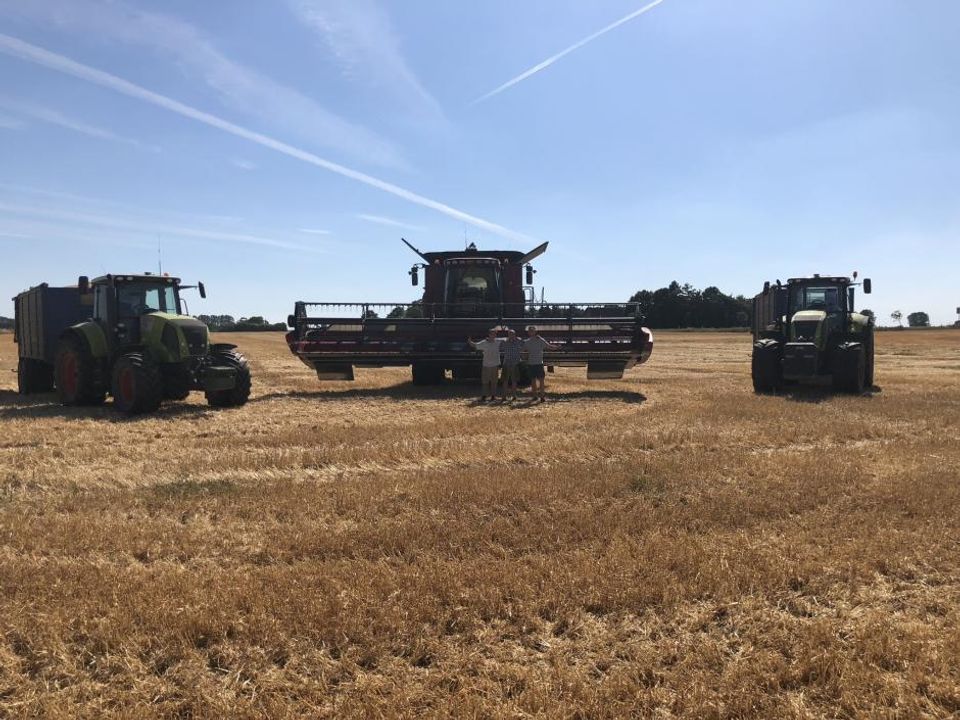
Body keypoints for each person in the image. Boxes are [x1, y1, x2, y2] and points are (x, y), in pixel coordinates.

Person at [524, 325, 562, 402]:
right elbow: (523, 351)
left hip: (539, 363)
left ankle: (542, 396)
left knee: (541, 380)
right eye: (530, 330)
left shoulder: (540, 340)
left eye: (533, 330)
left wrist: (557, 347)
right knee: (533, 381)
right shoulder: (526, 342)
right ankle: (535, 396)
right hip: (531, 363)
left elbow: (549, 346)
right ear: (528, 333)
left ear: (535, 332)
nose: (531, 332)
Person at [468, 328, 502, 402]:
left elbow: (508, 340)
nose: (493, 335)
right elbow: (475, 345)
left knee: (494, 382)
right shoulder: (484, 342)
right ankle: (484, 395)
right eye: (492, 334)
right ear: (489, 334)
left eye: (494, 334)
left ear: (496, 335)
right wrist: (469, 341)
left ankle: (493, 396)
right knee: (485, 382)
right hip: (486, 365)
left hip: (495, 365)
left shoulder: (498, 341)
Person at [499, 328, 523, 400]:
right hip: (506, 363)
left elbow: (526, 343)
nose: (511, 335)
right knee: (505, 380)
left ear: (515, 335)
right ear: (508, 335)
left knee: (514, 380)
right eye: (510, 334)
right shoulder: (504, 341)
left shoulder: (519, 341)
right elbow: (498, 345)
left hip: (515, 364)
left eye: (512, 334)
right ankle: (504, 396)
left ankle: (514, 395)